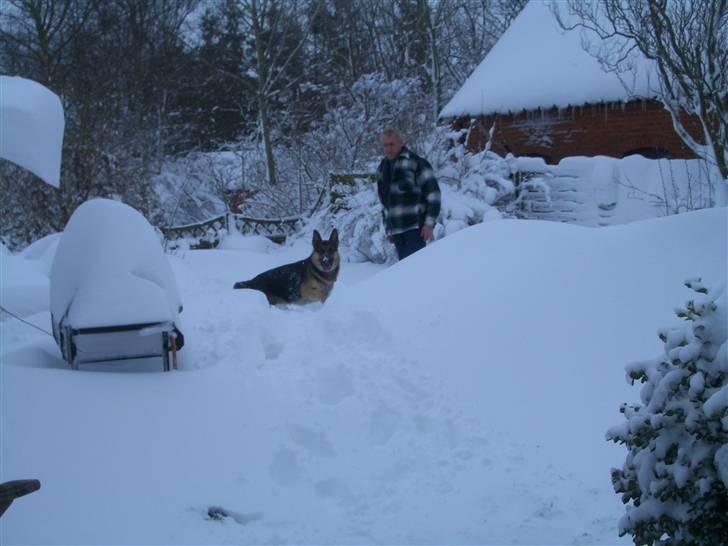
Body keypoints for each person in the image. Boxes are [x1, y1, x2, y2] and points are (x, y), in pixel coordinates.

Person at [376, 129, 441, 260]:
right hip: (396, 232)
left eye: (392, 144)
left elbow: (434, 195)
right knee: (405, 273)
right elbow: (384, 201)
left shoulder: (417, 163)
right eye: (385, 145)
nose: (389, 149)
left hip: (415, 229)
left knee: (416, 271)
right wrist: (388, 229)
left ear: (401, 143)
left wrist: (429, 224)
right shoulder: (382, 167)